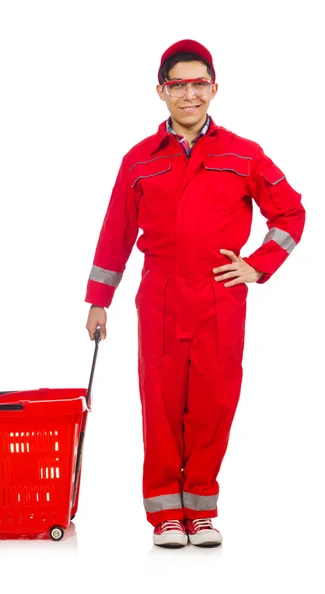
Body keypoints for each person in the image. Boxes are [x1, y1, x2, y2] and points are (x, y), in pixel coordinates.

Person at [84, 39, 305, 548]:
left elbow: (291, 212)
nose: (189, 94)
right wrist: (99, 300)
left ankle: (201, 510)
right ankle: (165, 514)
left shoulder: (243, 154)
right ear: (161, 92)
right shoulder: (139, 159)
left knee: (214, 401)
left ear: (214, 89)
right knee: (160, 404)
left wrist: (257, 265)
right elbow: (115, 232)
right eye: (178, 85)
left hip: (218, 296)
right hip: (160, 293)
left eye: (198, 84)